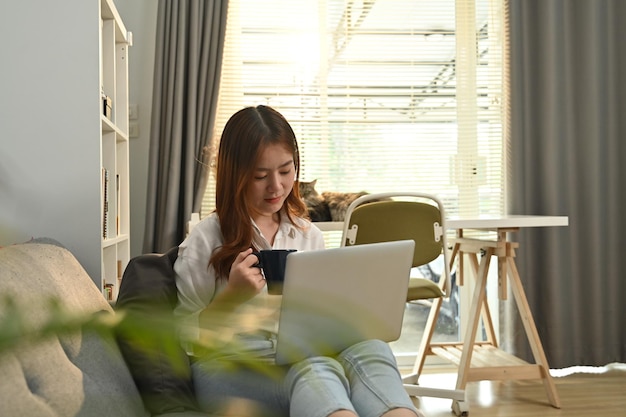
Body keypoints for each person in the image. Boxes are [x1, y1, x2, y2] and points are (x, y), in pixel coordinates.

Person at [173, 105, 424, 417]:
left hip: (300, 354)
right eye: (260, 176)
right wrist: (231, 299)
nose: (276, 187)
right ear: (234, 175)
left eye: (286, 171)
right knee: (316, 369)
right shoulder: (205, 240)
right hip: (228, 367)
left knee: (373, 349)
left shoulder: (308, 235)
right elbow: (180, 339)